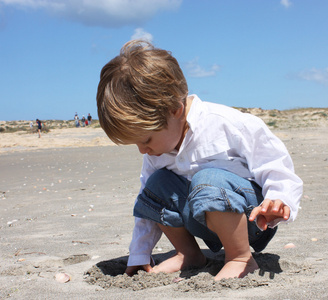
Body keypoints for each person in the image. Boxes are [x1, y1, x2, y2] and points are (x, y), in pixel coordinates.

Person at [96, 40, 303, 281]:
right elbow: (149, 204)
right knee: (156, 184)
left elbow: (275, 166)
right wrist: (139, 253)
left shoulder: (229, 124)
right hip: (201, 219)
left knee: (208, 178)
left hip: (252, 221)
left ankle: (240, 258)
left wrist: (279, 200)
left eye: (147, 140)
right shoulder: (158, 153)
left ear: (175, 109)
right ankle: (188, 254)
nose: (143, 150)